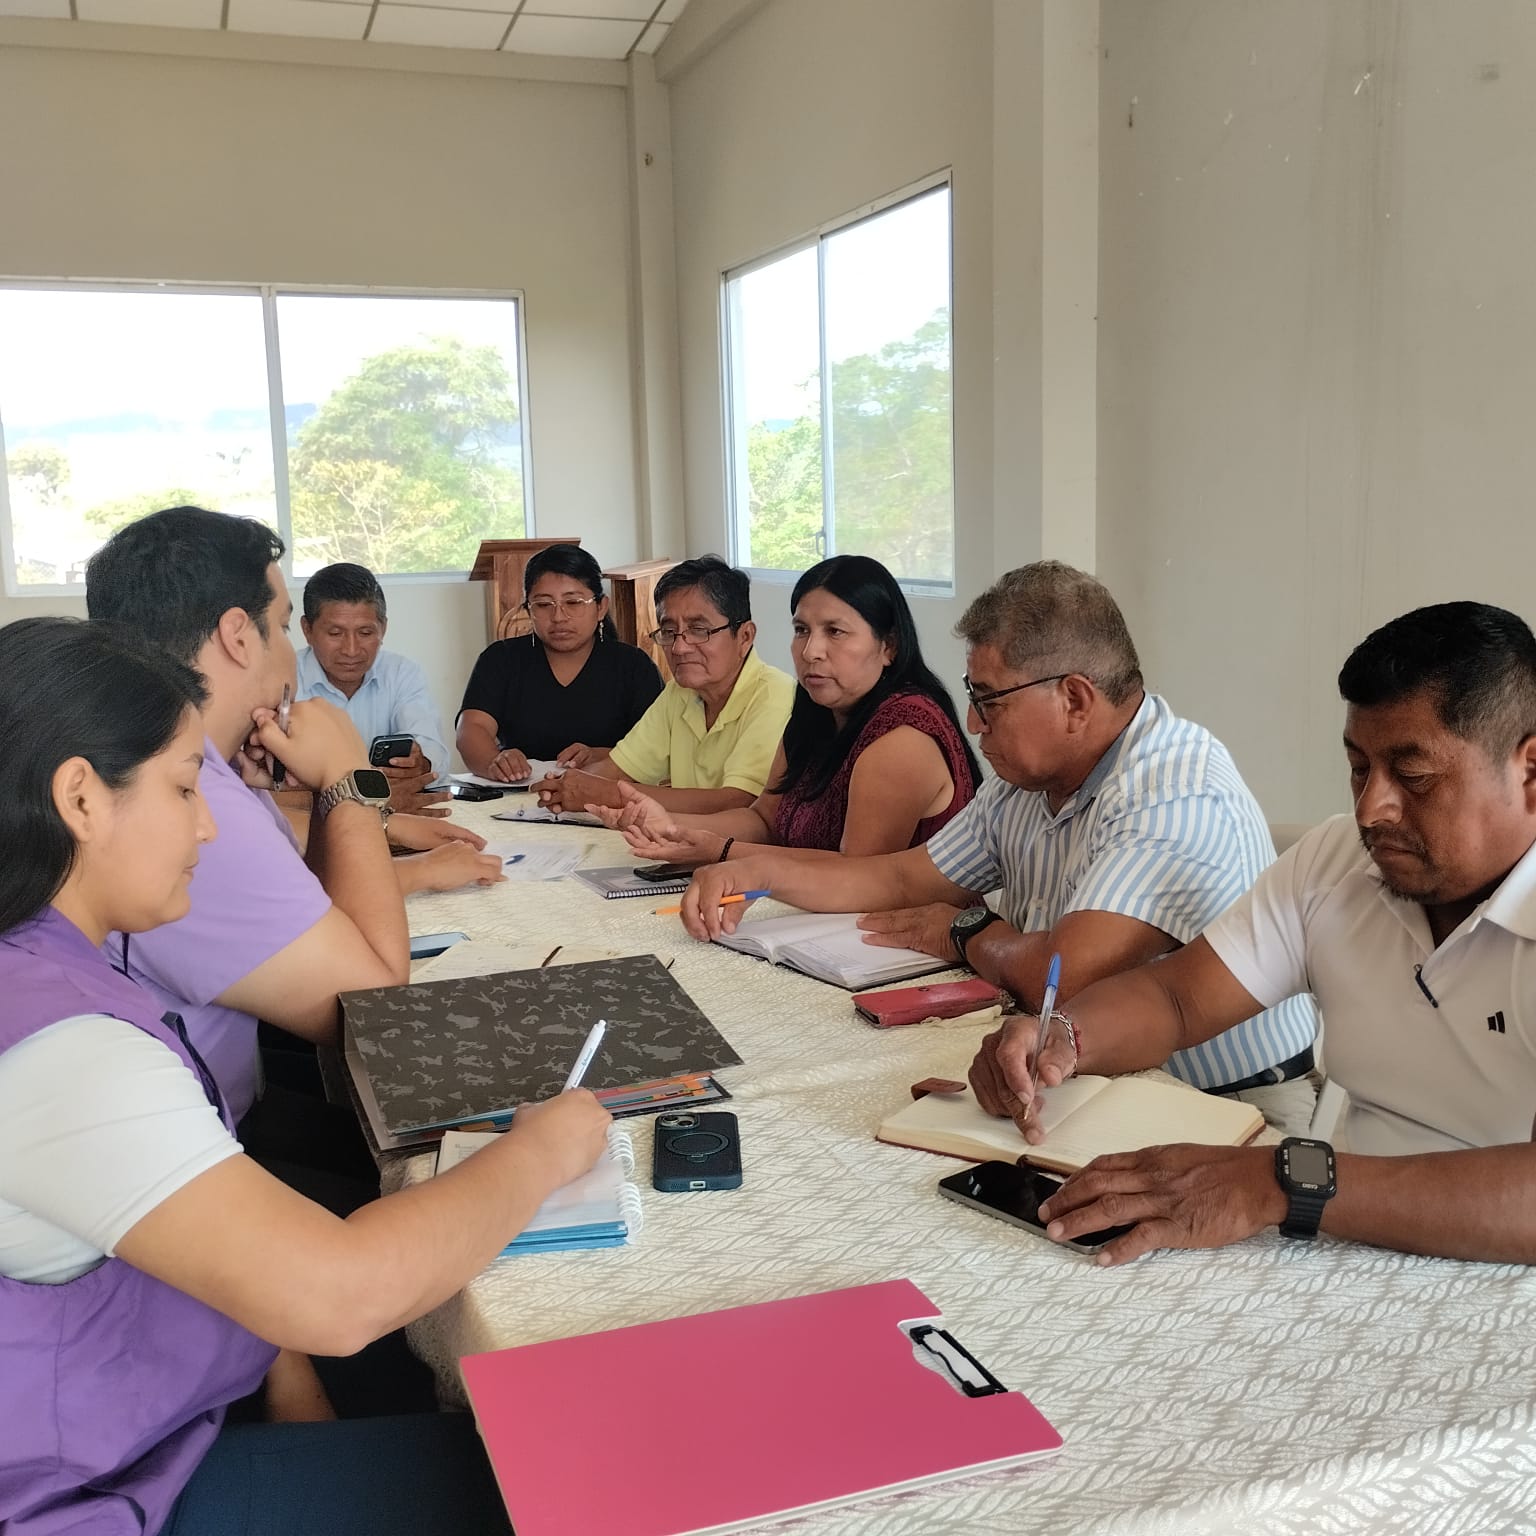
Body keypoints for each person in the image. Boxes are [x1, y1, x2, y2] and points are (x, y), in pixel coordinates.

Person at [0, 615, 609, 1534]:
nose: (207, 823)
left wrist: (289, 1381)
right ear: (81, 798)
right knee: (549, 1467)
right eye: (183, 787)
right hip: (90, 1489)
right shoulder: (63, 1052)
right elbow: (342, 1296)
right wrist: (543, 1149)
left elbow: (200, 1217)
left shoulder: (42, 967)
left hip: (148, 1403)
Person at [989, 601, 1536, 1267]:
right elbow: (1177, 999)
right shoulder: (1337, 861)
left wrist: (1281, 1184)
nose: (1371, 808)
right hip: (1350, 1242)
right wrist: (1063, 1038)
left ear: (1529, 771)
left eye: (1413, 777)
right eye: (1359, 767)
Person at [683, 562, 1318, 1133]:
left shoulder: (1171, 793)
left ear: (1074, 699)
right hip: (1074, 1065)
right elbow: (903, 880)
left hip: (1226, 1103)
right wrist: (759, 870)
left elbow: (1062, 978)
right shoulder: (1028, 778)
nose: (973, 723)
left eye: (988, 700)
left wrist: (968, 931)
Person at [84, 508, 502, 1142]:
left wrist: (324, 798)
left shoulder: (197, 766)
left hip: (210, 1103)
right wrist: (347, 777)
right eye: (282, 626)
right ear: (237, 636)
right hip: (203, 1140)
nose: (290, 654)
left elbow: (317, 908)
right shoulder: (186, 802)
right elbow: (371, 1008)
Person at [597, 555, 979, 863]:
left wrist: (721, 851)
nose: (810, 651)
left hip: (903, 930)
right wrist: (668, 825)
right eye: (801, 630)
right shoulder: (815, 712)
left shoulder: (903, 735)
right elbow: (763, 821)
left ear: (888, 646)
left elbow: (855, 877)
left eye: (835, 632)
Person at [531, 555, 796, 816]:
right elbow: (618, 769)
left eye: (698, 630)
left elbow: (740, 803)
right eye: (669, 632)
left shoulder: (775, 695)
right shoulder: (679, 693)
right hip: (682, 839)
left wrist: (610, 794)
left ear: (745, 636)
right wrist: (562, 786)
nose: (679, 648)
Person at [457, 545, 663, 782]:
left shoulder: (633, 666)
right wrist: (494, 761)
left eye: (573, 602)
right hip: (520, 793)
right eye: (544, 605)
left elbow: (655, 747)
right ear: (528, 610)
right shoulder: (500, 659)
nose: (558, 617)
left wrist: (601, 756)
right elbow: (472, 729)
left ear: (601, 607)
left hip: (606, 792)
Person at [297, 562, 452, 817]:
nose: (351, 650)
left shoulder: (401, 672)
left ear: (383, 628)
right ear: (307, 630)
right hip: (312, 824)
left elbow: (432, 749)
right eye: (335, 633)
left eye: (365, 632)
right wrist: (366, 801)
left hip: (394, 817)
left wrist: (420, 762)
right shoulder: (283, 679)